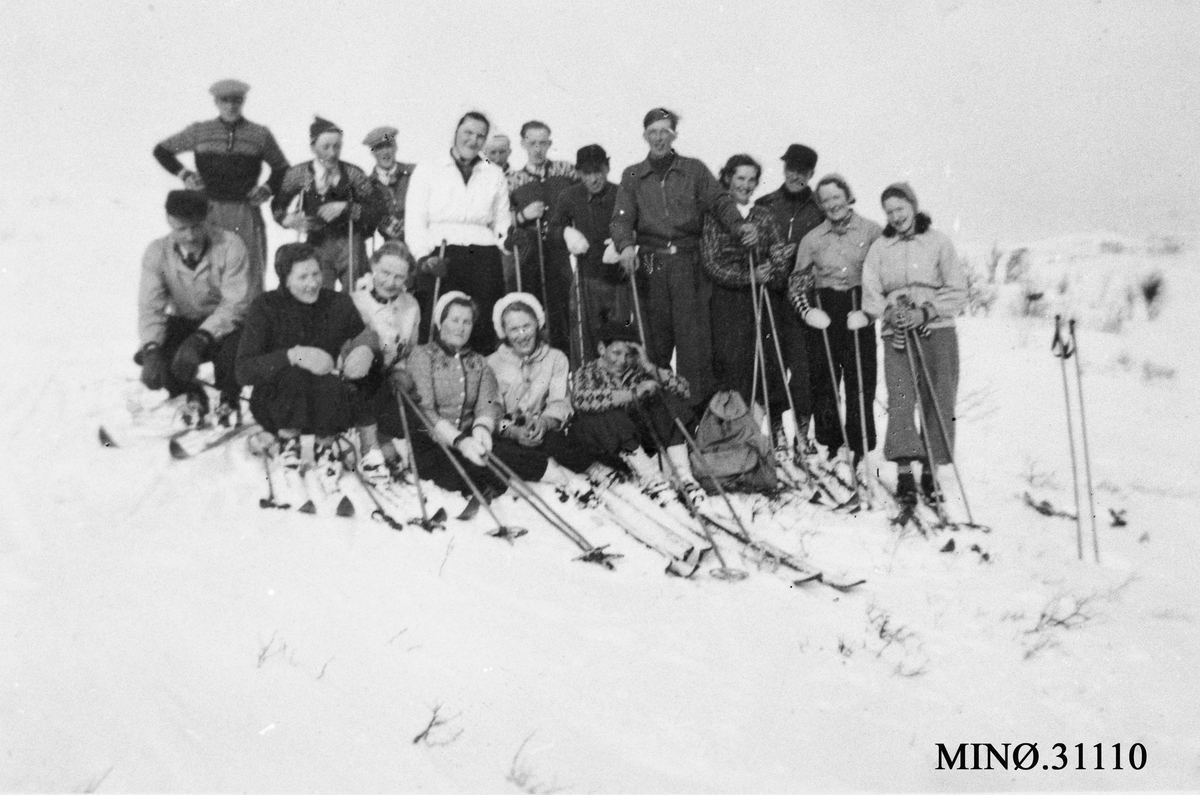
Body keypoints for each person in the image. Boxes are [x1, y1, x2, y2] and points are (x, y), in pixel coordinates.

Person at [610, 108, 757, 413]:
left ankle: (694, 418)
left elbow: (720, 202)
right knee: (655, 345)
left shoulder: (694, 170)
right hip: (651, 265)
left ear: (674, 135)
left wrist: (739, 226)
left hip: (688, 264)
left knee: (694, 348)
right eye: (653, 132)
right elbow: (621, 219)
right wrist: (625, 246)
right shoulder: (633, 174)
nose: (659, 137)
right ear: (645, 136)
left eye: (666, 131)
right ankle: (660, 415)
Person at [235, 243, 379, 483]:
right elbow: (244, 371)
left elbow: (363, 337)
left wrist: (365, 350)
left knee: (332, 382)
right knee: (294, 375)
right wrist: (292, 355)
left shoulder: (337, 303)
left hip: (326, 405)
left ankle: (326, 445)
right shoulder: (265, 306)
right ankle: (286, 440)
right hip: (279, 403)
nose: (312, 283)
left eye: (316, 274)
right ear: (285, 279)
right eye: (302, 277)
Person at [861, 182, 967, 505]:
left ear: (913, 206)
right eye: (889, 212)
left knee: (939, 397)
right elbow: (871, 293)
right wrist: (890, 313)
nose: (896, 216)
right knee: (901, 396)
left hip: (937, 329)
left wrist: (926, 311)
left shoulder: (938, 242)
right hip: (897, 332)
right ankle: (906, 472)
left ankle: (931, 470)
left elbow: (958, 289)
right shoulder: (881, 248)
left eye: (901, 209)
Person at [405, 292, 561, 498]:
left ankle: (562, 480)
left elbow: (488, 404)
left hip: (470, 439)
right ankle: (495, 488)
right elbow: (424, 409)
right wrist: (459, 441)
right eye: (455, 320)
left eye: (467, 322)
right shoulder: (422, 355)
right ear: (440, 323)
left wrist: (482, 430)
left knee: (511, 456)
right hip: (432, 444)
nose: (461, 327)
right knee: (472, 472)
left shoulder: (479, 362)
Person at [153, 79, 289, 289]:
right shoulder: (200, 131)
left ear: (243, 101)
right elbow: (162, 150)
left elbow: (282, 169)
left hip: (244, 210)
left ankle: (247, 321)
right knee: (207, 267)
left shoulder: (259, 134)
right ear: (216, 102)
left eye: (236, 100)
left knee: (248, 270)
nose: (231, 106)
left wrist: (267, 188)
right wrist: (184, 174)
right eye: (225, 100)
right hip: (207, 210)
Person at [790, 174, 884, 465]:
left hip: (858, 305)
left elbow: (882, 277)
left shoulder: (871, 231)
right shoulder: (813, 238)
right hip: (825, 307)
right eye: (825, 199)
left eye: (836, 196)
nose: (832, 204)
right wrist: (807, 311)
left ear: (847, 196)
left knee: (861, 377)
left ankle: (859, 445)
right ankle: (832, 444)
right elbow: (797, 283)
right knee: (824, 378)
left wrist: (869, 313)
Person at [137, 190, 252, 427]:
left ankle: (229, 399)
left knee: (236, 348)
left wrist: (200, 339)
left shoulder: (231, 245)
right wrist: (150, 349)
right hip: (185, 321)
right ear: (169, 220)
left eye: (196, 226)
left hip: (224, 325)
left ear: (207, 217)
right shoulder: (157, 252)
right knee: (164, 356)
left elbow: (235, 304)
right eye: (181, 228)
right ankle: (191, 394)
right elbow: (151, 308)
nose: (190, 236)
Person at [404, 112, 511, 352]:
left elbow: (502, 222)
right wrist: (423, 258)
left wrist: (509, 238)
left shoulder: (493, 172)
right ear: (455, 132)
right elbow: (415, 220)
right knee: (439, 320)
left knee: (481, 323)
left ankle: (480, 377)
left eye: (480, 136)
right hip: (440, 253)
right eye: (468, 133)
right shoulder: (429, 168)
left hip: (483, 255)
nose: (473, 140)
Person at [569, 318, 706, 504]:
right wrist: (633, 393)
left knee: (664, 401)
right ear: (602, 349)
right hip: (607, 448)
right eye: (616, 353)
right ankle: (651, 479)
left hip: (640, 446)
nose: (622, 361)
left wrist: (649, 366)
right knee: (611, 413)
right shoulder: (587, 373)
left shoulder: (638, 371)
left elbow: (684, 391)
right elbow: (581, 399)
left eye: (628, 354)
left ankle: (683, 477)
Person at [700, 154, 792, 422]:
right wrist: (748, 276)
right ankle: (733, 427)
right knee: (732, 363)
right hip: (728, 300)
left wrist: (771, 270)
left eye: (752, 179)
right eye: (740, 178)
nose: (746, 185)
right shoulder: (714, 214)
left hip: (762, 298)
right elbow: (711, 262)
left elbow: (779, 255)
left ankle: (760, 425)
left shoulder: (764, 215)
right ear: (727, 178)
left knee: (767, 361)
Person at [486, 293, 603, 500]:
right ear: (504, 332)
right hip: (508, 432)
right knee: (500, 450)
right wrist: (512, 431)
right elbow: (491, 413)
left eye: (527, 326)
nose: (522, 335)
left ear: (538, 325)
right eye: (514, 329)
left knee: (558, 441)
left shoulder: (555, 358)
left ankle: (593, 469)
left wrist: (545, 422)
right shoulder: (491, 364)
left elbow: (560, 401)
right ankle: (556, 474)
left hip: (544, 431)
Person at [755, 144, 825, 454]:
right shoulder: (765, 204)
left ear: (811, 174)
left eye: (803, 170)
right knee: (773, 362)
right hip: (771, 294)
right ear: (784, 169)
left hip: (805, 299)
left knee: (804, 364)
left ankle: (803, 431)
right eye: (791, 168)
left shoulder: (820, 208)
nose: (796, 175)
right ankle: (776, 428)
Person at [271, 117, 386, 293]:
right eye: (326, 147)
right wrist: (284, 219)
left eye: (337, 146)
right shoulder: (299, 173)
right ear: (312, 147)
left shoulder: (352, 173)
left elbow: (377, 209)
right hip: (316, 244)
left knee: (355, 293)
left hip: (350, 243)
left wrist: (346, 208)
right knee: (318, 292)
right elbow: (278, 202)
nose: (332, 153)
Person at [546, 143, 629, 367]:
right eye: (587, 173)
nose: (593, 179)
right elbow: (552, 230)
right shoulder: (570, 196)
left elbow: (638, 225)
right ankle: (587, 387)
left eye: (598, 172)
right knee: (585, 338)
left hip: (619, 281)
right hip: (586, 279)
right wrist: (566, 232)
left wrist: (624, 244)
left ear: (607, 169)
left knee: (619, 337)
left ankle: (623, 388)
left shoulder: (621, 193)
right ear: (579, 173)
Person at [350, 241, 422, 480]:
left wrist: (402, 371)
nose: (391, 283)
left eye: (399, 277)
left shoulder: (410, 306)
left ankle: (390, 441)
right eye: (385, 273)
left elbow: (408, 350)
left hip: (389, 380)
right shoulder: (356, 301)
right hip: (357, 379)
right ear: (373, 266)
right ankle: (372, 446)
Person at [506, 121, 579, 353]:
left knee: (567, 310)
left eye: (543, 143)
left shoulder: (566, 171)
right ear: (523, 144)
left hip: (561, 254)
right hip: (531, 258)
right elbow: (500, 221)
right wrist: (522, 215)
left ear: (550, 143)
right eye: (532, 143)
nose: (538, 149)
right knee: (534, 310)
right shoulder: (513, 180)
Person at [362, 126, 416, 242]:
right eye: (379, 148)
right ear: (373, 152)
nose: (385, 152)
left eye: (388, 145)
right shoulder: (368, 185)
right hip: (392, 247)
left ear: (395, 147)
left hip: (421, 242)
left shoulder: (414, 174)